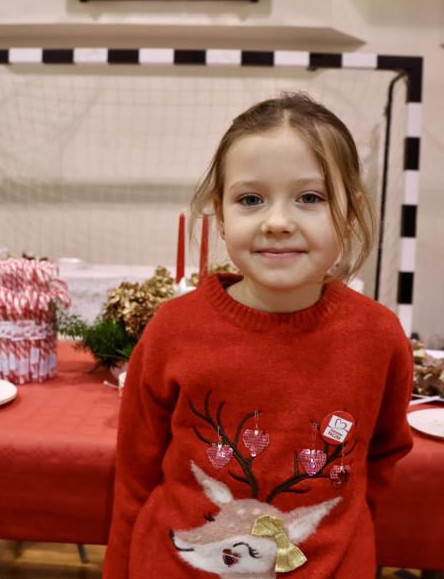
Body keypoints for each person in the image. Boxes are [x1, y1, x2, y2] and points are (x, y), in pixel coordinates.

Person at [103, 92, 413, 579]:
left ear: (350, 214)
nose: (277, 222)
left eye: (310, 198)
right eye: (251, 199)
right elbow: (135, 475)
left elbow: (383, 454)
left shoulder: (379, 336)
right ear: (220, 216)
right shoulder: (173, 330)